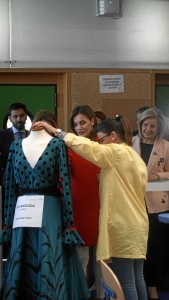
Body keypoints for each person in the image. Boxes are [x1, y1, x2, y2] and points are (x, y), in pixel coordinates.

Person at [32, 115, 149, 300]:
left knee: (126, 282)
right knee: (138, 278)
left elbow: (88, 147)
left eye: (102, 140)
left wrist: (57, 132)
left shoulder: (115, 152)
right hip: (139, 225)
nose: (100, 144)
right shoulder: (135, 156)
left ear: (113, 136)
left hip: (123, 226)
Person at [0, 110, 89, 300]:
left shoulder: (57, 145)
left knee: (50, 256)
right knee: (24, 258)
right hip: (23, 212)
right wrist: (7, 224)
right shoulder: (16, 147)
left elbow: (65, 185)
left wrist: (68, 225)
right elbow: (9, 185)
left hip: (49, 212)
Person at [132, 107, 169, 300]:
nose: (148, 129)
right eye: (145, 125)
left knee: (154, 247)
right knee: (138, 246)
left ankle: (152, 285)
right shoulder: (131, 144)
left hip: (158, 205)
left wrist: (156, 175)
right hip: (134, 203)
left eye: (152, 126)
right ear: (140, 125)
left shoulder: (165, 146)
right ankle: (138, 283)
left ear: (158, 128)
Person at [69, 105, 104, 300]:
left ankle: (101, 295)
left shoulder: (103, 145)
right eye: (75, 124)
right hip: (79, 207)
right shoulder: (70, 146)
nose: (79, 127)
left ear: (93, 121)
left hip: (100, 206)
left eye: (83, 122)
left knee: (101, 259)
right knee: (81, 258)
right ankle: (81, 295)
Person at [0, 102, 29, 186]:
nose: (19, 119)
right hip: (8, 181)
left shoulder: (32, 135)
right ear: (9, 118)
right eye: (15, 116)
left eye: (22, 115)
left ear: (26, 116)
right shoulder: (2, 136)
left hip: (28, 180)